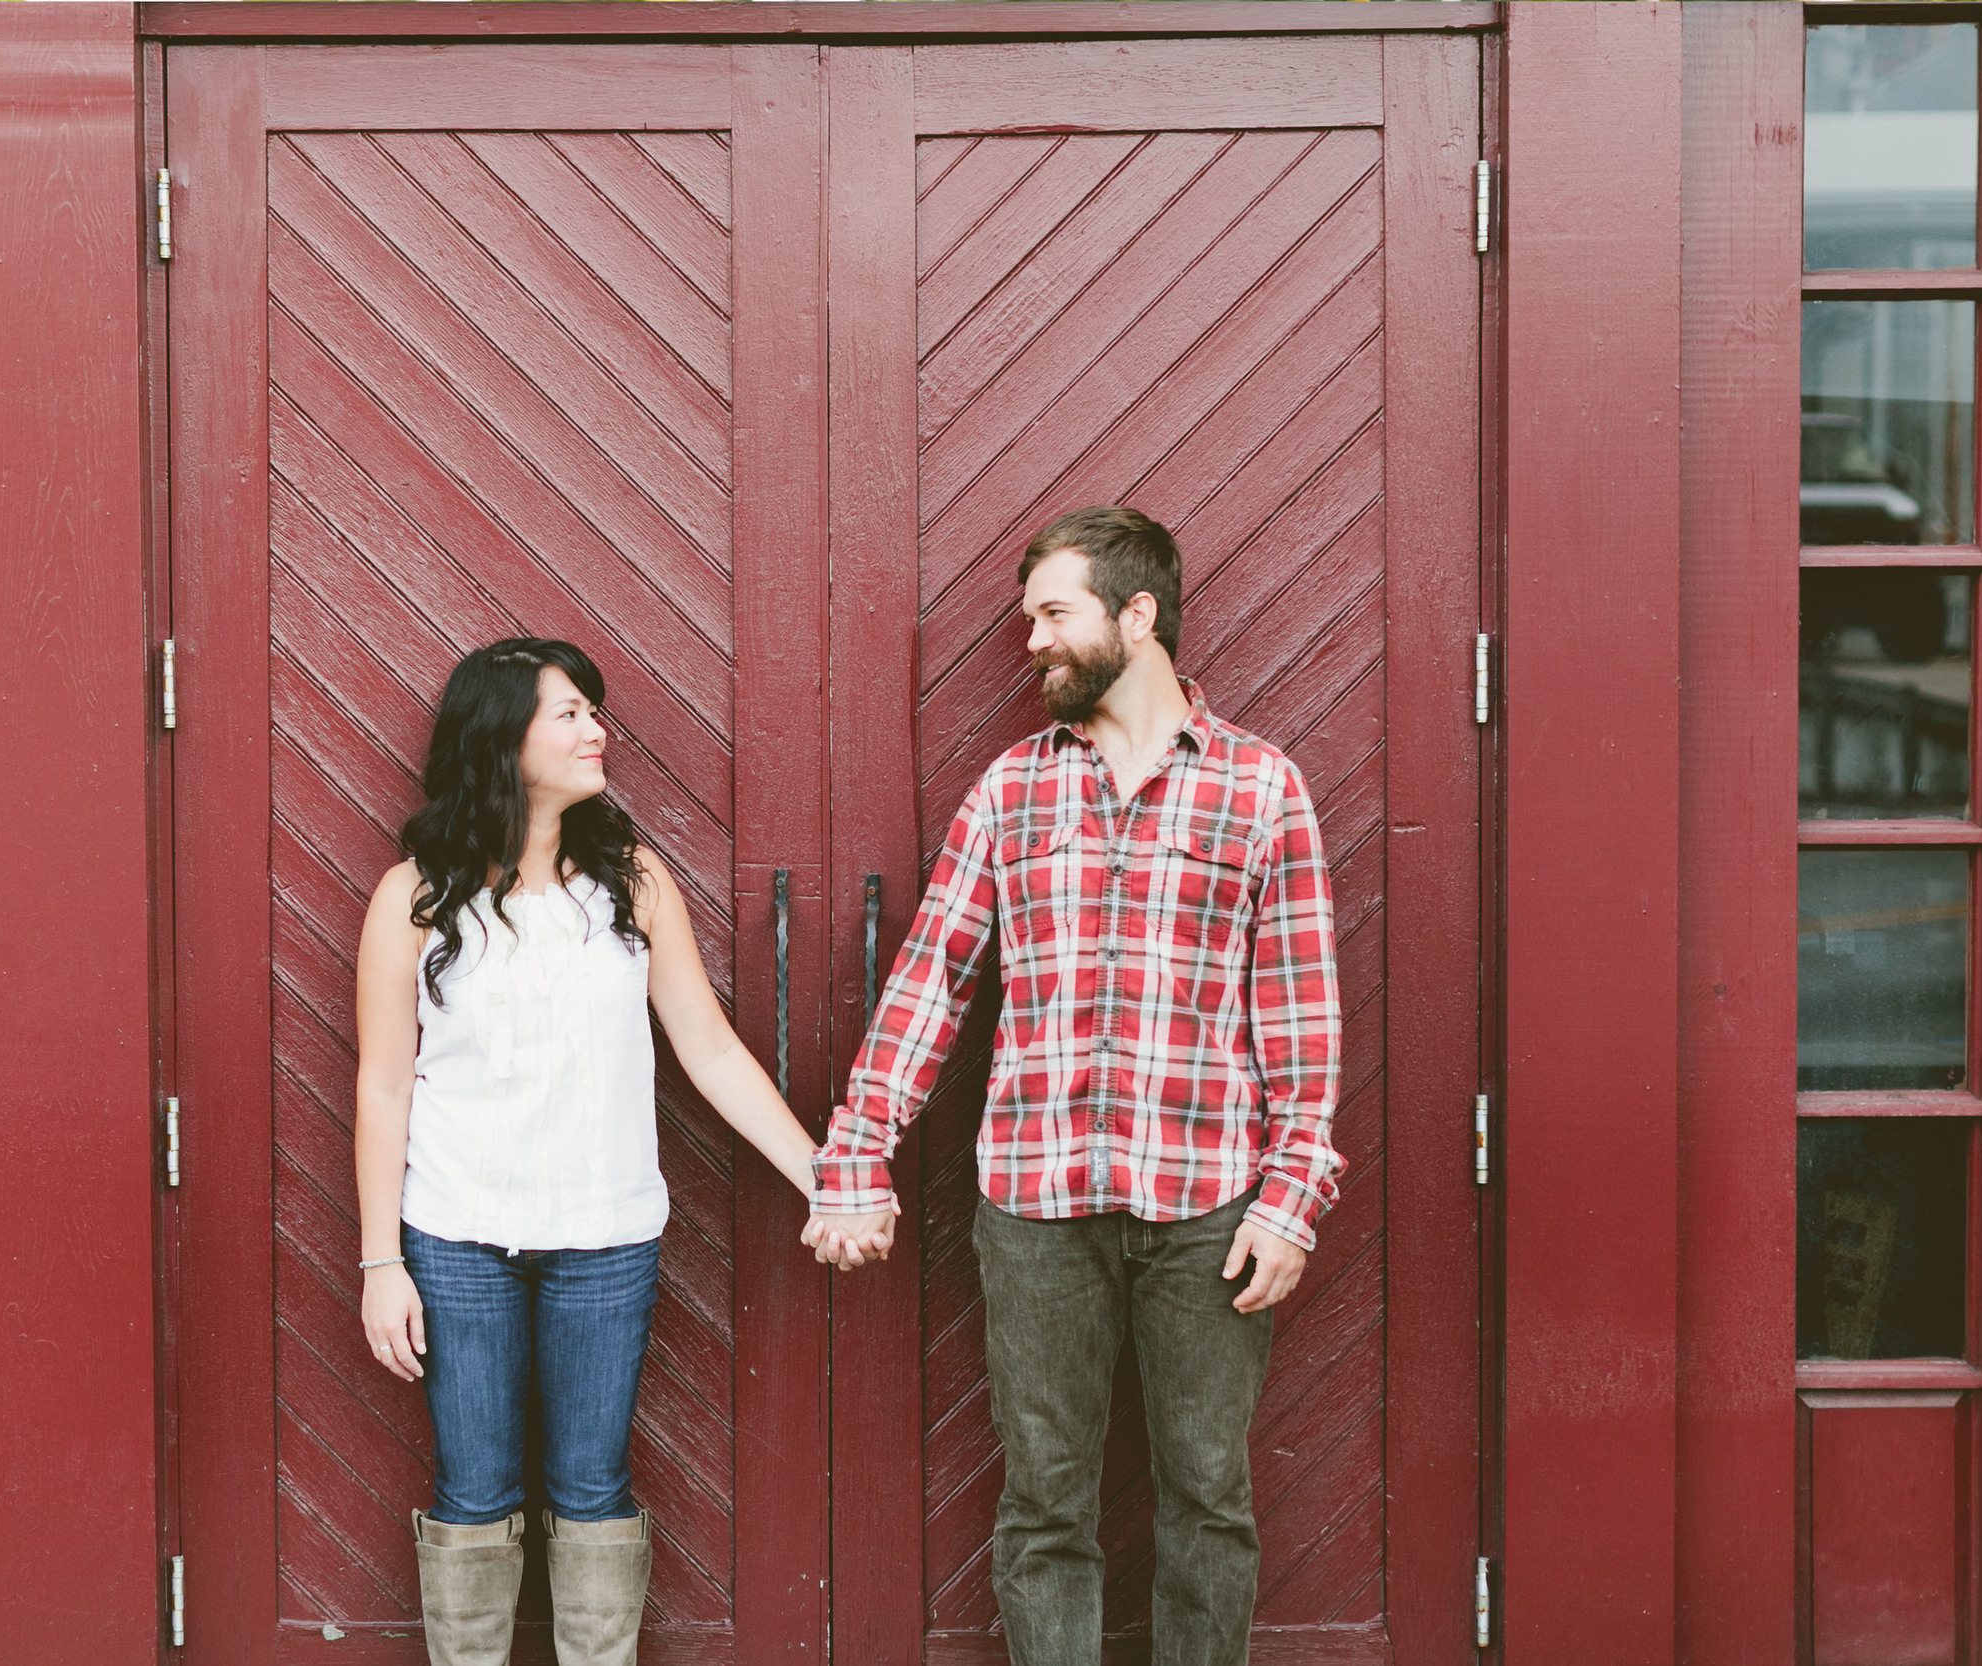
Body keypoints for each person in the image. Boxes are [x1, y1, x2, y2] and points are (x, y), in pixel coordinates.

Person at [804, 506, 1344, 1666]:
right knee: (1046, 1504)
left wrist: (1291, 1195)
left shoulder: (1261, 789)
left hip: (1209, 1205)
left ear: (1136, 616)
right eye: (1027, 618)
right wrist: (856, 1152)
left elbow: (1300, 1015)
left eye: (1053, 614)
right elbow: (930, 981)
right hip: (1037, 1207)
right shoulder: (1012, 790)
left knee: (1207, 1498)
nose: (1032, 640)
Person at [356, 638, 824, 1666]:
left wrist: (824, 1178)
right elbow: (384, 1084)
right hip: (456, 1237)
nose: (594, 729)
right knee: (472, 1492)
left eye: (590, 709)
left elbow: (708, 1049)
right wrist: (380, 1260)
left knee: (591, 1489)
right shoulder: (413, 898)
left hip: (605, 1238)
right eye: (565, 712)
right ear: (498, 735)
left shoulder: (631, 883)